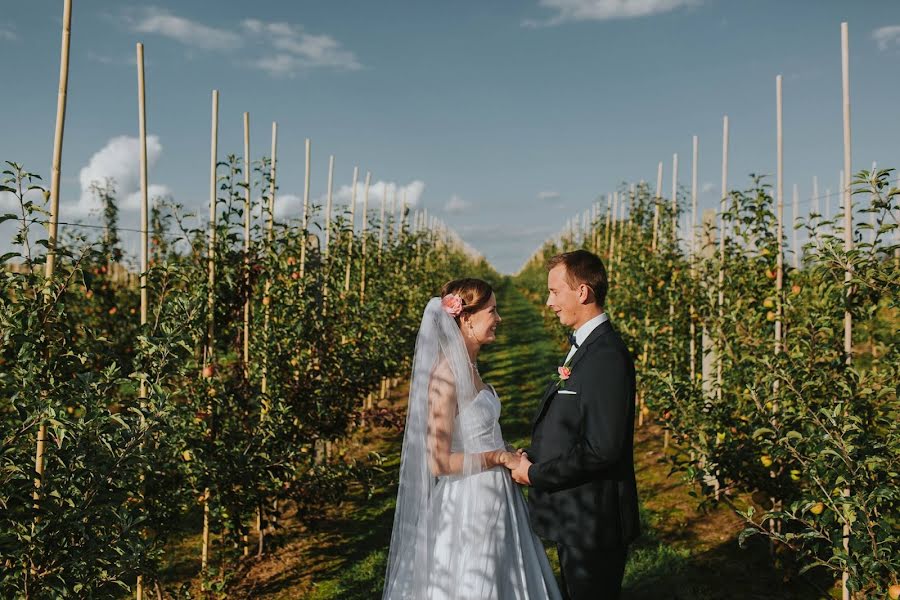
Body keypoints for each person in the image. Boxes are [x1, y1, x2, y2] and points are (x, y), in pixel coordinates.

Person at [382, 278, 561, 600]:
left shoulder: (469, 366)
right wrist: (498, 457)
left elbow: (476, 433)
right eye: (493, 310)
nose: (499, 318)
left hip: (496, 494)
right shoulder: (445, 376)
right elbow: (438, 462)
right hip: (469, 501)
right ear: (467, 319)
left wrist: (506, 450)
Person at [510, 250, 640, 600]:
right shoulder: (588, 348)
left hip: (594, 522)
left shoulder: (605, 356)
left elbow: (602, 448)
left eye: (555, 291)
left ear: (582, 292)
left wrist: (536, 474)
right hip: (577, 517)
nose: (549, 302)